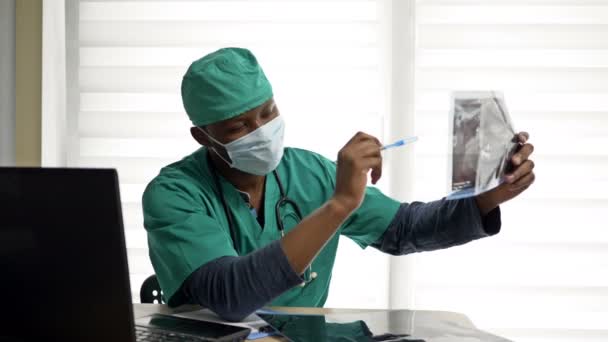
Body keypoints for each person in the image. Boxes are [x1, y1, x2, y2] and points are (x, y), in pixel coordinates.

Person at [142, 48, 535, 321]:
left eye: (268, 113)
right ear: (203, 137)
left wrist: (486, 197)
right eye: (238, 127)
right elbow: (231, 296)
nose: (260, 132)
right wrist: (340, 204)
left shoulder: (310, 172)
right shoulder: (174, 194)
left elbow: (403, 229)